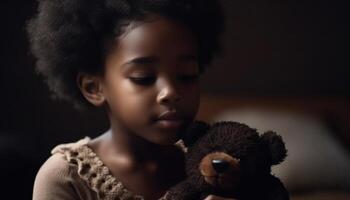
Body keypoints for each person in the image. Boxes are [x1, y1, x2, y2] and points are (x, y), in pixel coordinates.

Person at [28, 0, 233, 199]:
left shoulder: (214, 167)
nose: (170, 92)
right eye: (143, 78)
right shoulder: (67, 178)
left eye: (187, 75)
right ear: (94, 88)